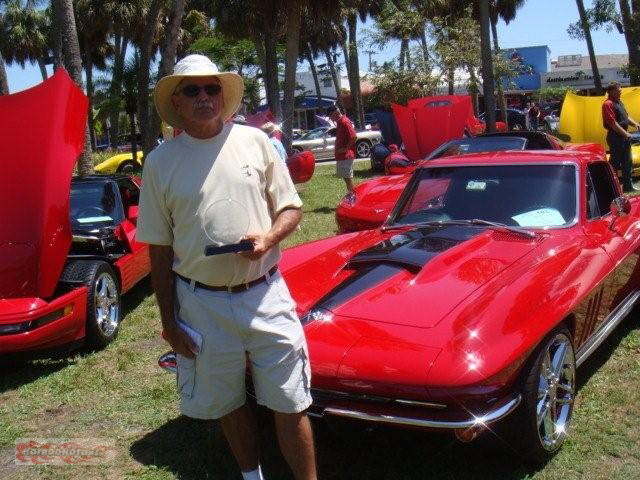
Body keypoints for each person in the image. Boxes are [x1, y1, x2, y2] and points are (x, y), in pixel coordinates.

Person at [136, 54, 317, 480]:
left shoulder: (255, 143)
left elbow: (291, 208)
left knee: (290, 401)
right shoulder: (160, 163)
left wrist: (269, 238)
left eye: (212, 87)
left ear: (224, 95)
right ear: (177, 102)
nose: (204, 97)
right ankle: (251, 476)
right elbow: (159, 251)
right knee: (227, 400)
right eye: (192, 90)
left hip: (266, 293)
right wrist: (169, 322)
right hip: (202, 303)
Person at [603, 82, 640, 192]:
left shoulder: (619, 102)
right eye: (618, 91)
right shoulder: (607, 104)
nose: (620, 92)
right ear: (611, 91)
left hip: (624, 138)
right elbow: (613, 123)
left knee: (627, 163)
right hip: (615, 138)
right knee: (615, 163)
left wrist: (635, 124)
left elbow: (626, 117)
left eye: (620, 90)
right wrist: (626, 134)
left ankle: (628, 186)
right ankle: (610, 187)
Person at [328, 105, 357, 196]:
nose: (331, 119)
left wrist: (346, 148)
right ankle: (351, 194)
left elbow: (354, 137)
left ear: (336, 113)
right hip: (341, 156)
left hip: (346, 155)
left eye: (331, 116)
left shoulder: (344, 122)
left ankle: (353, 196)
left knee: (348, 177)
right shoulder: (340, 123)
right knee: (345, 177)